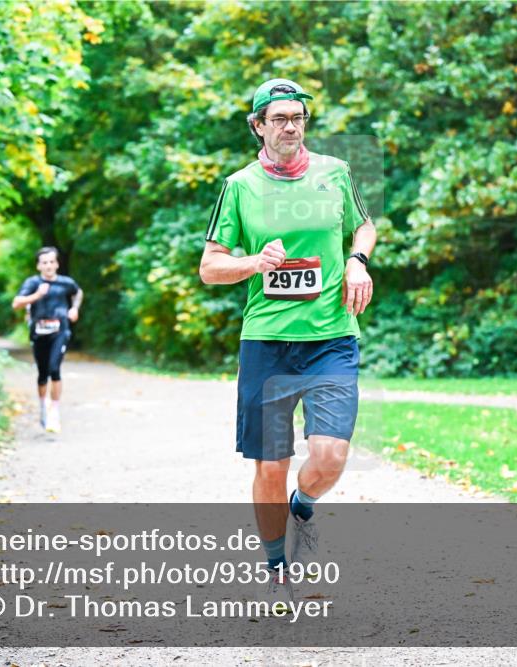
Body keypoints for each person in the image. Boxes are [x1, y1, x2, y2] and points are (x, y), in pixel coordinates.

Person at [199, 78, 376, 608]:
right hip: (267, 343)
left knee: (330, 457)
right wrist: (255, 263)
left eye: (297, 116)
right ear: (258, 125)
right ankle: (277, 567)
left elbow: (364, 227)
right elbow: (210, 267)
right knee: (269, 465)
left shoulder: (335, 173)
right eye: (278, 118)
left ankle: (303, 504)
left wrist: (355, 259)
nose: (290, 126)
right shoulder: (239, 187)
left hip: (331, 337)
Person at [12, 247, 83, 434]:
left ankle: (55, 411)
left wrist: (74, 308)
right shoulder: (33, 283)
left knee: (54, 369)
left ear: (57, 264)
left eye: (52, 262)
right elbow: (16, 303)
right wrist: (37, 296)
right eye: (45, 262)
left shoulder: (66, 283)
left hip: (60, 330)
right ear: (38, 265)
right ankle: (43, 406)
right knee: (43, 374)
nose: (49, 265)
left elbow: (78, 292)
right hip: (38, 332)